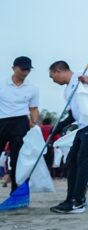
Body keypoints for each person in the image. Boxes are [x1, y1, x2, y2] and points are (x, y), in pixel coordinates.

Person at [48, 61, 88, 214]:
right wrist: (58, 127)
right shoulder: (67, 91)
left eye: (52, 77)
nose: (53, 80)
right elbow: (73, 115)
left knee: (83, 161)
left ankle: (78, 202)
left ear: (59, 71)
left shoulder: (80, 77)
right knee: (71, 160)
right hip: (84, 124)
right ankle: (71, 198)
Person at [0, 56, 40, 194]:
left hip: (21, 123)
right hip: (2, 121)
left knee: (18, 159)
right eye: (23, 69)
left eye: (28, 69)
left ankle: (16, 192)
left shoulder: (33, 88)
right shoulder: (1, 83)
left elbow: (33, 108)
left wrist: (34, 123)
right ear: (14, 68)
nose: (25, 72)